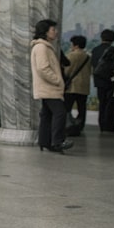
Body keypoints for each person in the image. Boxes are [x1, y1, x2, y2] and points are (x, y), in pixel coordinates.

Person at [31, 19, 73, 153]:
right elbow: (43, 68)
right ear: (45, 32)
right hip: (49, 87)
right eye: (53, 30)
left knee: (47, 114)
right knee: (60, 113)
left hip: (46, 87)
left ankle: (45, 141)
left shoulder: (43, 46)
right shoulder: (42, 47)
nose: (56, 32)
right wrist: (57, 80)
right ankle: (57, 142)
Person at [91, 29, 114, 133]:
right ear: (113, 39)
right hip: (111, 81)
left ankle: (102, 124)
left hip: (99, 80)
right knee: (112, 104)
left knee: (102, 104)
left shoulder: (95, 50)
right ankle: (110, 126)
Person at [63, 35, 92, 135]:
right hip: (84, 85)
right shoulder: (87, 56)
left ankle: (69, 126)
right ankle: (80, 125)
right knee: (82, 107)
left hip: (72, 85)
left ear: (75, 45)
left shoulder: (71, 55)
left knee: (67, 107)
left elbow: (67, 70)